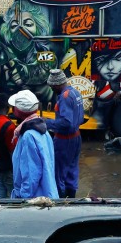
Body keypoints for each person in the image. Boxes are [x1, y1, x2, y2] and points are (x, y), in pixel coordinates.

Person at [9, 89, 57, 200]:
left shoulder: (28, 136)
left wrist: (23, 199)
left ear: (18, 112)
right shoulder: (43, 131)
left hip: (36, 200)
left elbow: (31, 175)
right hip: (47, 193)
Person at [45, 68, 84, 198]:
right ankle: (71, 198)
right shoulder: (75, 93)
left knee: (59, 172)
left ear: (57, 84)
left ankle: (62, 202)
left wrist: (46, 122)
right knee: (72, 169)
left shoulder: (65, 97)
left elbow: (66, 123)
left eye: (52, 86)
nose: (51, 89)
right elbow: (80, 118)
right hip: (76, 138)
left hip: (64, 140)